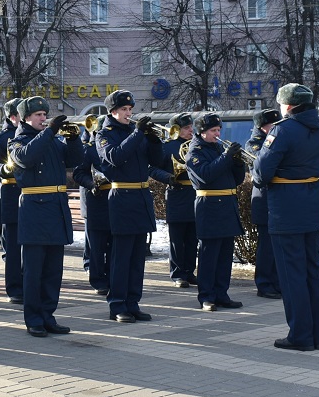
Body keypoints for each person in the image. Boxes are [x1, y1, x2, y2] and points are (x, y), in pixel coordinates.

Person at [251, 84, 319, 352]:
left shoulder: (281, 129)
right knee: (312, 271)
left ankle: (299, 335)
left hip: (287, 207)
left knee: (291, 274)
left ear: (288, 105)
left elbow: (262, 172)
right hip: (312, 203)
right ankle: (316, 336)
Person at [9, 96, 84, 337]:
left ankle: (48, 315)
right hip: (34, 208)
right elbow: (26, 158)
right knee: (33, 270)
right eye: (38, 115)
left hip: (55, 208)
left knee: (53, 270)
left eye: (45, 114)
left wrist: (73, 140)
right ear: (25, 118)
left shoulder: (51, 140)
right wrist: (50, 131)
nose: (44, 118)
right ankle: (33, 319)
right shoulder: (17, 141)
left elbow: (73, 161)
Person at [96, 90, 163, 323]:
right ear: (113, 112)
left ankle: (133, 303)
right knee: (120, 258)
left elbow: (157, 161)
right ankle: (117, 305)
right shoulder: (105, 134)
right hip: (122, 196)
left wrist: (154, 141)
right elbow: (115, 156)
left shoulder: (137, 133)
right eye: (124, 110)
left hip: (141, 196)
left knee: (137, 258)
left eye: (130, 109)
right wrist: (137, 133)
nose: (129, 113)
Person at [185, 113, 245, 312]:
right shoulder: (195, 150)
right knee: (209, 255)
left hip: (227, 204)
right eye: (213, 131)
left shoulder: (219, 148)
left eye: (218, 130)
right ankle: (207, 296)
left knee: (225, 254)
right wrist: (227, 157)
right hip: (209, 205)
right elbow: (205, 176)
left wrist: (237, 162)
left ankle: (222, 294)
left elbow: (235, 180)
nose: (217, 134)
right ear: (201, 132)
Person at [150, 112, 198, 288]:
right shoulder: (167, 147)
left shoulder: (195, 145)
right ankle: (178, 273)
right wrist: (169, 178)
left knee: (193, 237)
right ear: (176, 129)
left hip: (195, 193)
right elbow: (153, 168)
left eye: (191, 127)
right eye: (186, 128)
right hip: (177, 193)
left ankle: (189, 271)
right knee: (177, 238)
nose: (190, 130)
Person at [0, 98, 24, 304]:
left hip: (32, 195)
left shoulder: (32, 136)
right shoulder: (1, 138)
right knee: (12, 247)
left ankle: (30, 283)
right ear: (13, 117)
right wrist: (4, 169)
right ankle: (15, 288)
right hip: (10, 194)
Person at [245, 108, 283, 300]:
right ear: (262, 127)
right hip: (264, 200)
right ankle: (264, 284)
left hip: (278, 201)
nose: (275, 128)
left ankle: (277, 283)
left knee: (279, 246)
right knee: (266, 247)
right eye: (272, 125)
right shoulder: (254, 144)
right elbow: (263, 168)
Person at [72, 119, 111, 295]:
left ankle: (112, 277)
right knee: (96, 245)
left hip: (115, 201)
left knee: (113, 244)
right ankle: (97, 279)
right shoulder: (88, 149)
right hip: (96, 201)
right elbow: (78, 173)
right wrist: (92, 184)